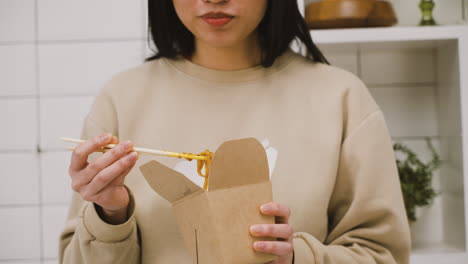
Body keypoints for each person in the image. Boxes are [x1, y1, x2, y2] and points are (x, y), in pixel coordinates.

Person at [59, 0, 411, 263]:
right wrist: (110, 215)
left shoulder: (341, 98)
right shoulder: (120, 99)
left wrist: (297, 257)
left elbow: (383, 255)